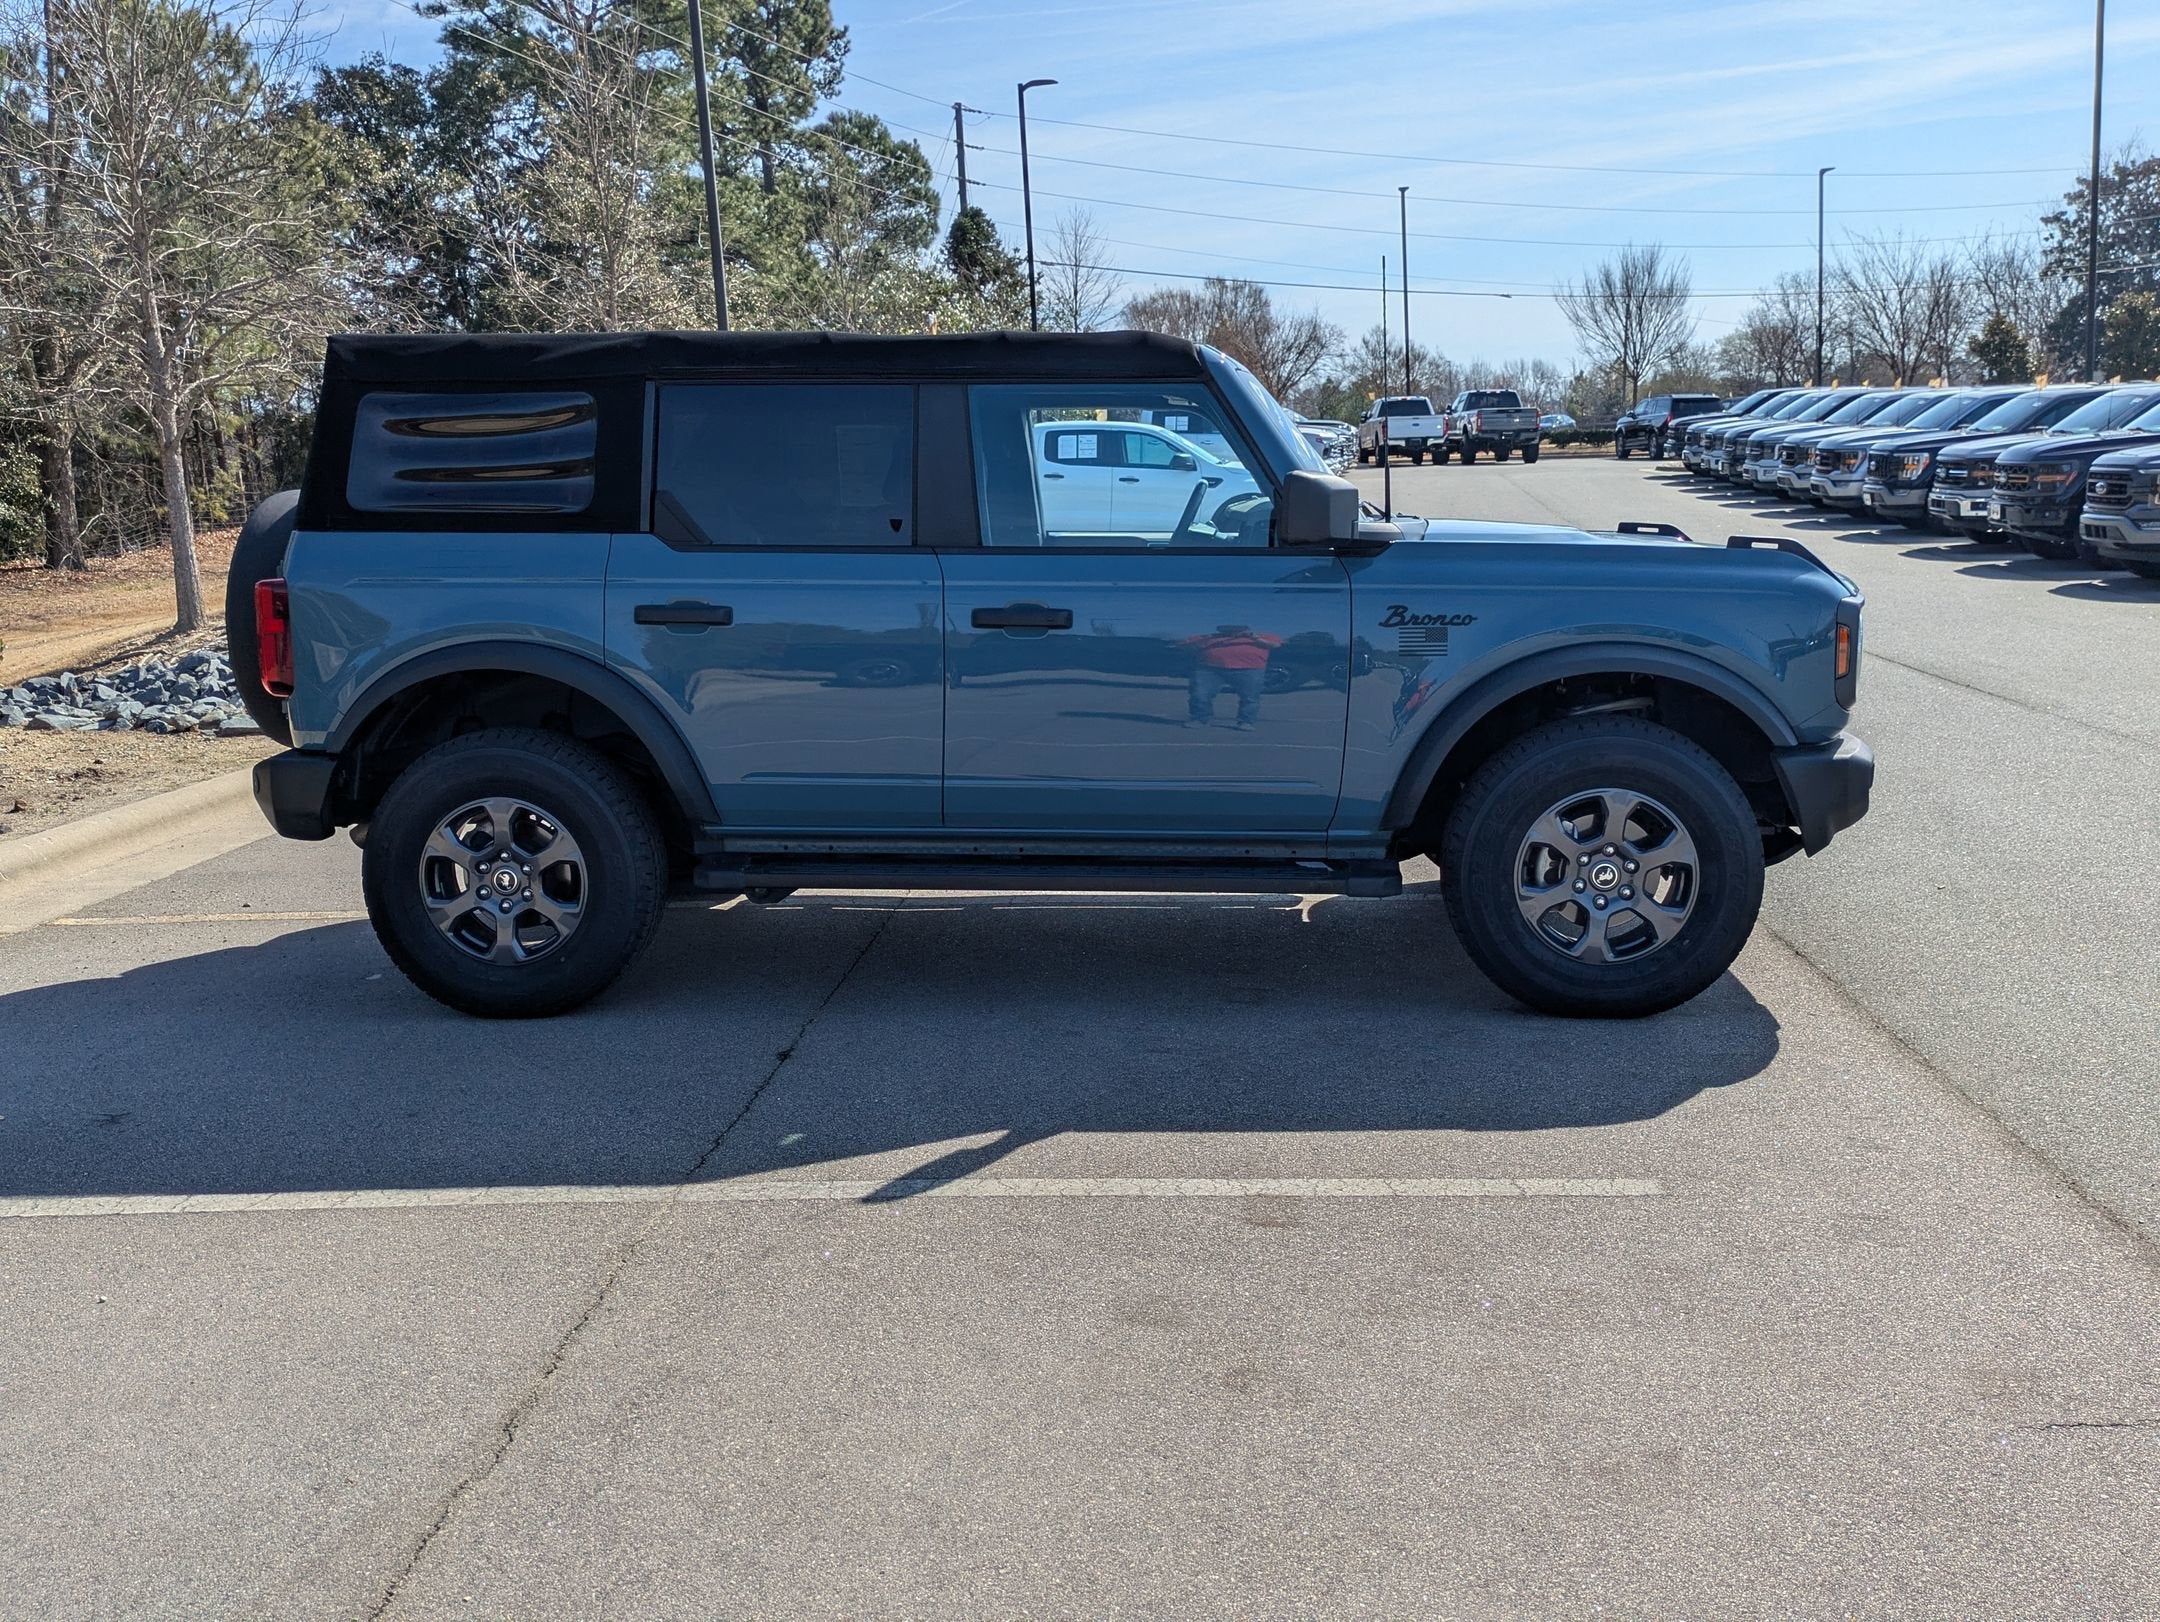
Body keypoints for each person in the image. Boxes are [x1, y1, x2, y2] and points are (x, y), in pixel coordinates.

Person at [1181, 624, 1281, 729]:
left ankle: (1246, 721)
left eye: (1236, 628)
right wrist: (1208, 639)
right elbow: (1186, 645)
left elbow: (1275, 645)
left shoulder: (1262, 636)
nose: (1232, 630)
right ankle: (1200, 719)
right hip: (1210, 669)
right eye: (1227, 628)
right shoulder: (1210, 637)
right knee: (1200, 694)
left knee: (1250, 697)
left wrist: (1253, 637)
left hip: (1249, 669)